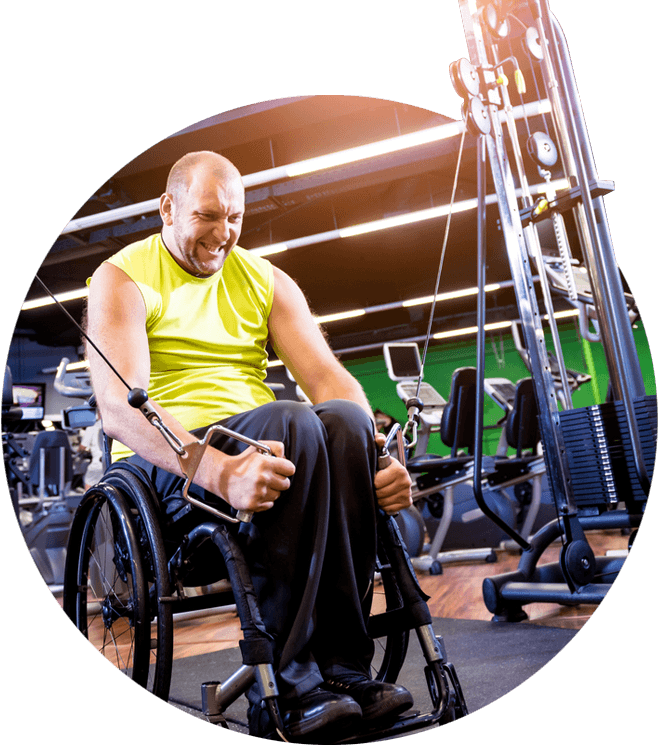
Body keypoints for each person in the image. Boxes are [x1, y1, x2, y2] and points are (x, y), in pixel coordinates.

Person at [86, 150, 414, 741]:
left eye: (234, 217)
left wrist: (380, 458)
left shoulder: (265, 279)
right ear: (168, 207)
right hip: (173, 471)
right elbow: (119, 409)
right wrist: (215, 468)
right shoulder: (124, 276)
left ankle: (342, 673)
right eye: (208, 216)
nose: (223, 234)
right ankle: (285, 693)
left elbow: (332, 380)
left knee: (339, 420)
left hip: (263, 450)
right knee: (291, 424)